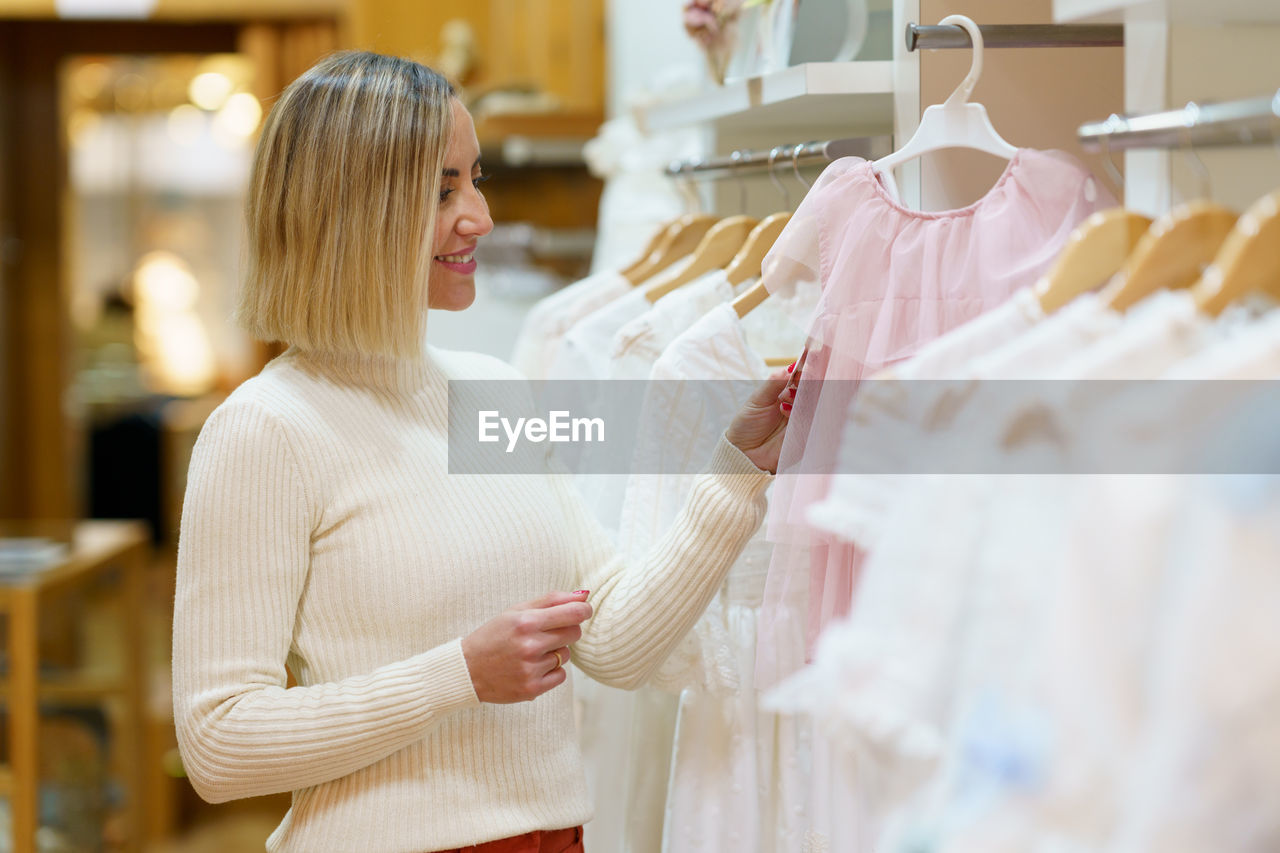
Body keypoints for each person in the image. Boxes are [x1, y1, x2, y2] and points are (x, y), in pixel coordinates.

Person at [172, 50, 795, 853]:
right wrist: (458, 674)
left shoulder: (495, 389)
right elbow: (219, 743)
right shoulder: (266, 429)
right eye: (442, 191)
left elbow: (614, 645)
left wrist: (735, 473)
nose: (480, 217)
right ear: (349, 209)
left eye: (476, 179)